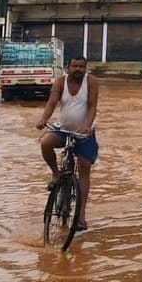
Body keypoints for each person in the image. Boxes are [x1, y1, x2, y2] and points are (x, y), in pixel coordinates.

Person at [36, 56, 99, 232]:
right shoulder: (60, 82)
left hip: (84, 132)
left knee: (84, 169)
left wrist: (87, 126)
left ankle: (81, 216)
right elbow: (51, 103)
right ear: (68, 67)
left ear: (85, 68)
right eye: (74, 66)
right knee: (45, 143)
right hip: (62, 129)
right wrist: (43, 119)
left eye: (81, 66)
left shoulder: (92, 82)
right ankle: (56, 174)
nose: (77, 69)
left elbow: (93, 106)